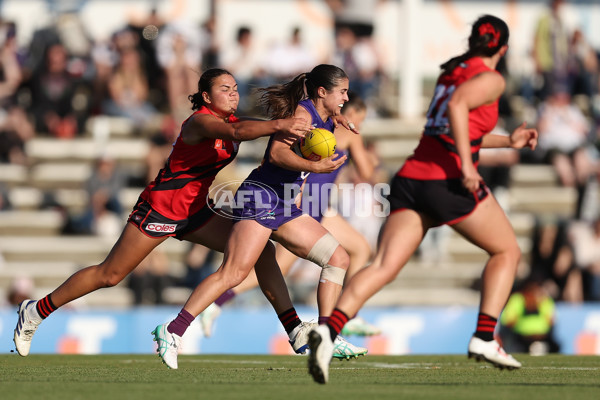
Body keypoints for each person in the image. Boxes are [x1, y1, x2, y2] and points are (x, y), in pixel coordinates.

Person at [12, 68, 313, 362]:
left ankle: (294, 328)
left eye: (235, 89)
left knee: (261, 251)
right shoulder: (200, 122)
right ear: (206, 97)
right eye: (225, 89)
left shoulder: (233, 120)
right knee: (110, 275)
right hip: (161, 208)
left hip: (195, 210)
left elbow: (246, 126)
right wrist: (279, 126)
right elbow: (238, 132)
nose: (233, 94)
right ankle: (36, 310)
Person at [307, 15, 539, 384]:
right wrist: (466, 166)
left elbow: (448, 124)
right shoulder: (491, 78)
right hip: (445, 180)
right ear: (504, 48)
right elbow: (458, 110)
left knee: (383, 266)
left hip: (413, 177)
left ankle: (329, 330)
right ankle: (483, 337)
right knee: (507, 252)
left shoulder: (452, 72)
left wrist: (507, 141)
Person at [153, 64, 368, 369]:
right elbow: (277, 155)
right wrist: (319, 168)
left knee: (338, 259)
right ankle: (172, 330)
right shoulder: (303, 116)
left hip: (282, 203)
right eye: (342, 92)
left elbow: (327, 119)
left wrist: (338, 116)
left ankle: (325, 336)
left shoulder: (326, 116)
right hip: (261, 197)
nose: (347, 97)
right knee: (234, 273)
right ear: (322, 92)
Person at [198, 92, 380, 339]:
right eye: (362, 118)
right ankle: (216, 301)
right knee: (276, 269)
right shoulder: (347, 131)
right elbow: (367, 171)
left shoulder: (316, 124)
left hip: (313, 201)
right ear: (354, 114)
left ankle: (347, 314)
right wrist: (368, 154)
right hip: (307, 202)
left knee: (358, 248)